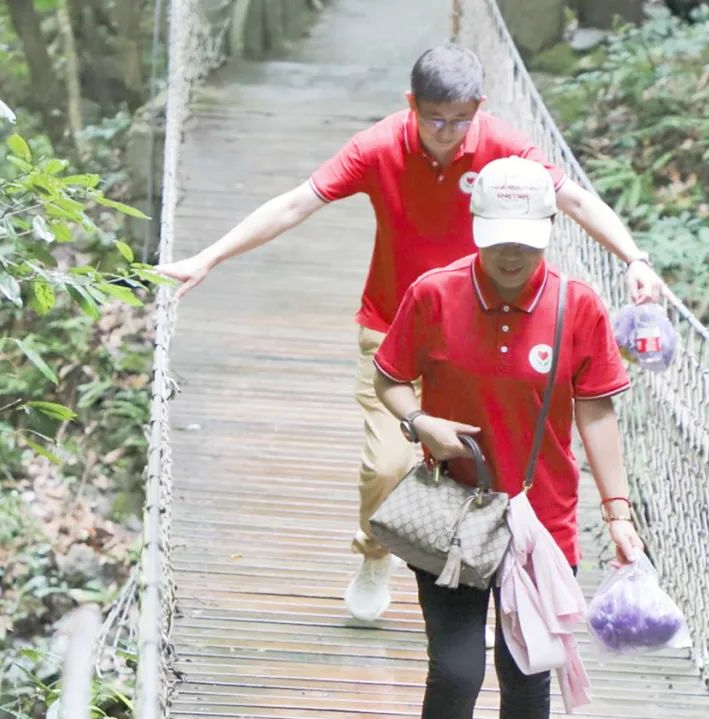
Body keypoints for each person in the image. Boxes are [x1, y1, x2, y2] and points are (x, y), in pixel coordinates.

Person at [155, 44, 664, 622]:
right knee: (388, 466)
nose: (447, 133)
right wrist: (210, 257)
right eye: (434, 119)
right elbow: (298, 202)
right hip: (394, 332)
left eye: (460, 119)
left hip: (479, 336)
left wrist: (634, 257)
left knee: (490, 468)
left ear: (479, 107)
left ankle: (486, 583)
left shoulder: (502, 148)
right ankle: (375, 551)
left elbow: (568, 197)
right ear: (411, 105)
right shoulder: (377, 147)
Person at [372, 155, 646, 719]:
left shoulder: (579, 306)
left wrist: (618, 513)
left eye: (526, 240)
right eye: (500, 240)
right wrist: (420, 423)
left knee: (526, 675)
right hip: (453, 515)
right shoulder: (434, 295)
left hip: (541, 520)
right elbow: (390, 378)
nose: (513, 254)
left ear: (549, 229)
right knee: (455, 671)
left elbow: (596, 414)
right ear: (476, 228)